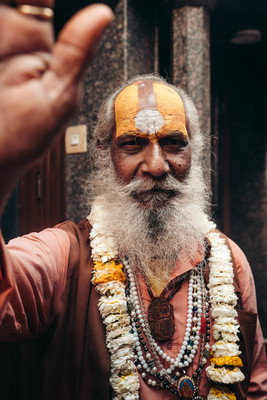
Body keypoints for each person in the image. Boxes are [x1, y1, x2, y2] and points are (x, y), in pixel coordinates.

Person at [0, 3, 266, 400]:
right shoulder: (63, 258)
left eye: (174, 143)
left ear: (195, 154)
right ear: (106, 155)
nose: (157, 166)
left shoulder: (229, 259)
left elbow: (257, 384)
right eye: (133, 144)